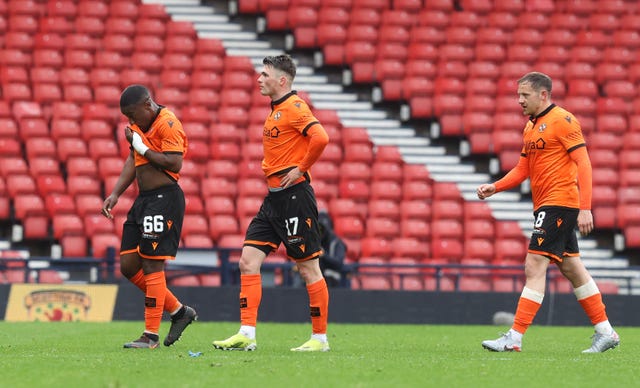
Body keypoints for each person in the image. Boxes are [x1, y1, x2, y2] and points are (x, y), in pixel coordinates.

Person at [477, 72, 619, 353]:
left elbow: (584, 163)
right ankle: (606, 332)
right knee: (572, 268)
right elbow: (523, 169)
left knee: (534, 266)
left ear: (543, 95)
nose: (520, 100)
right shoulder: (530, 128)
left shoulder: (563, 121)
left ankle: (514, 337)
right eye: (518, 95)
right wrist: (496, 186)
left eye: (525, 95)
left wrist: (585, 207)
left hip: (560, 202)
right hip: (547, 204)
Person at [212, 55, 330, 352]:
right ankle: (246, 334)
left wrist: (301, 168)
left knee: (308, 268)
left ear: (282, 80)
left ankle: (319, 339)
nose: (259, 79)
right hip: (274, 200)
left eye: (265, 75)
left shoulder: (294, 106)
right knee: (247, 261)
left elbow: (321, 137)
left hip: (295, 198)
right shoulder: (276, 110)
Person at [102, 85, 197, 349]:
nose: (131, 122)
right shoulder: (139, 128)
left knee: (152, 265)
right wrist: (116, 193)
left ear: (147, 104)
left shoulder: (168, 123)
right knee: (128, 265)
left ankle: (150, 335)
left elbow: (174, 163)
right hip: (142, 200)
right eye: (127, 118)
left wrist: (143, 148)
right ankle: (179, 312)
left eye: (132, 115)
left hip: (164, 199)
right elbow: (133, 159)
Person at [317, 210, 347, 287]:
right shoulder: (315, 242)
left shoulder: (336, 242)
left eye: (322, 228)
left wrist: (324, 255)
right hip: (316, 280)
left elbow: (338, 263)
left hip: (332, 282)